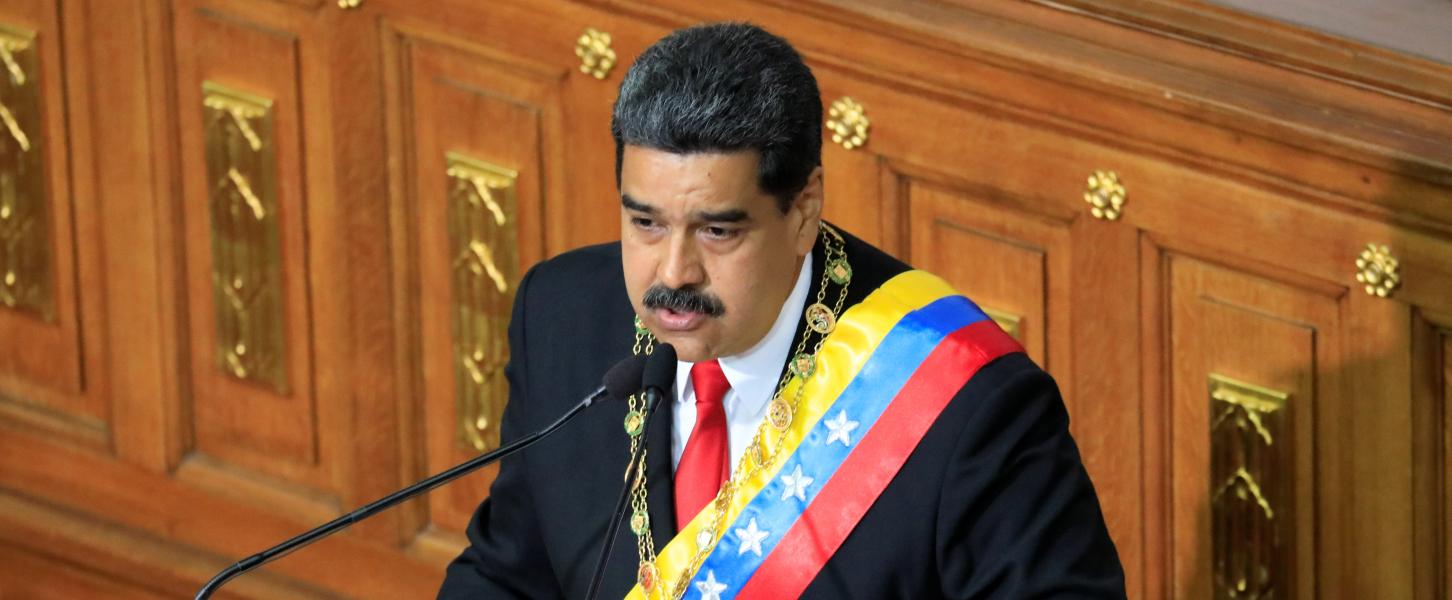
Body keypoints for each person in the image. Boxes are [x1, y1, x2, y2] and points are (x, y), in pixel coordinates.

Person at [438, 22, 1124, 599]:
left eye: (718, 231)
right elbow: (507, 575)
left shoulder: (965, 404)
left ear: (803, 210)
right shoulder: (561, 316)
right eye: (645, 224)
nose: (672, 273)